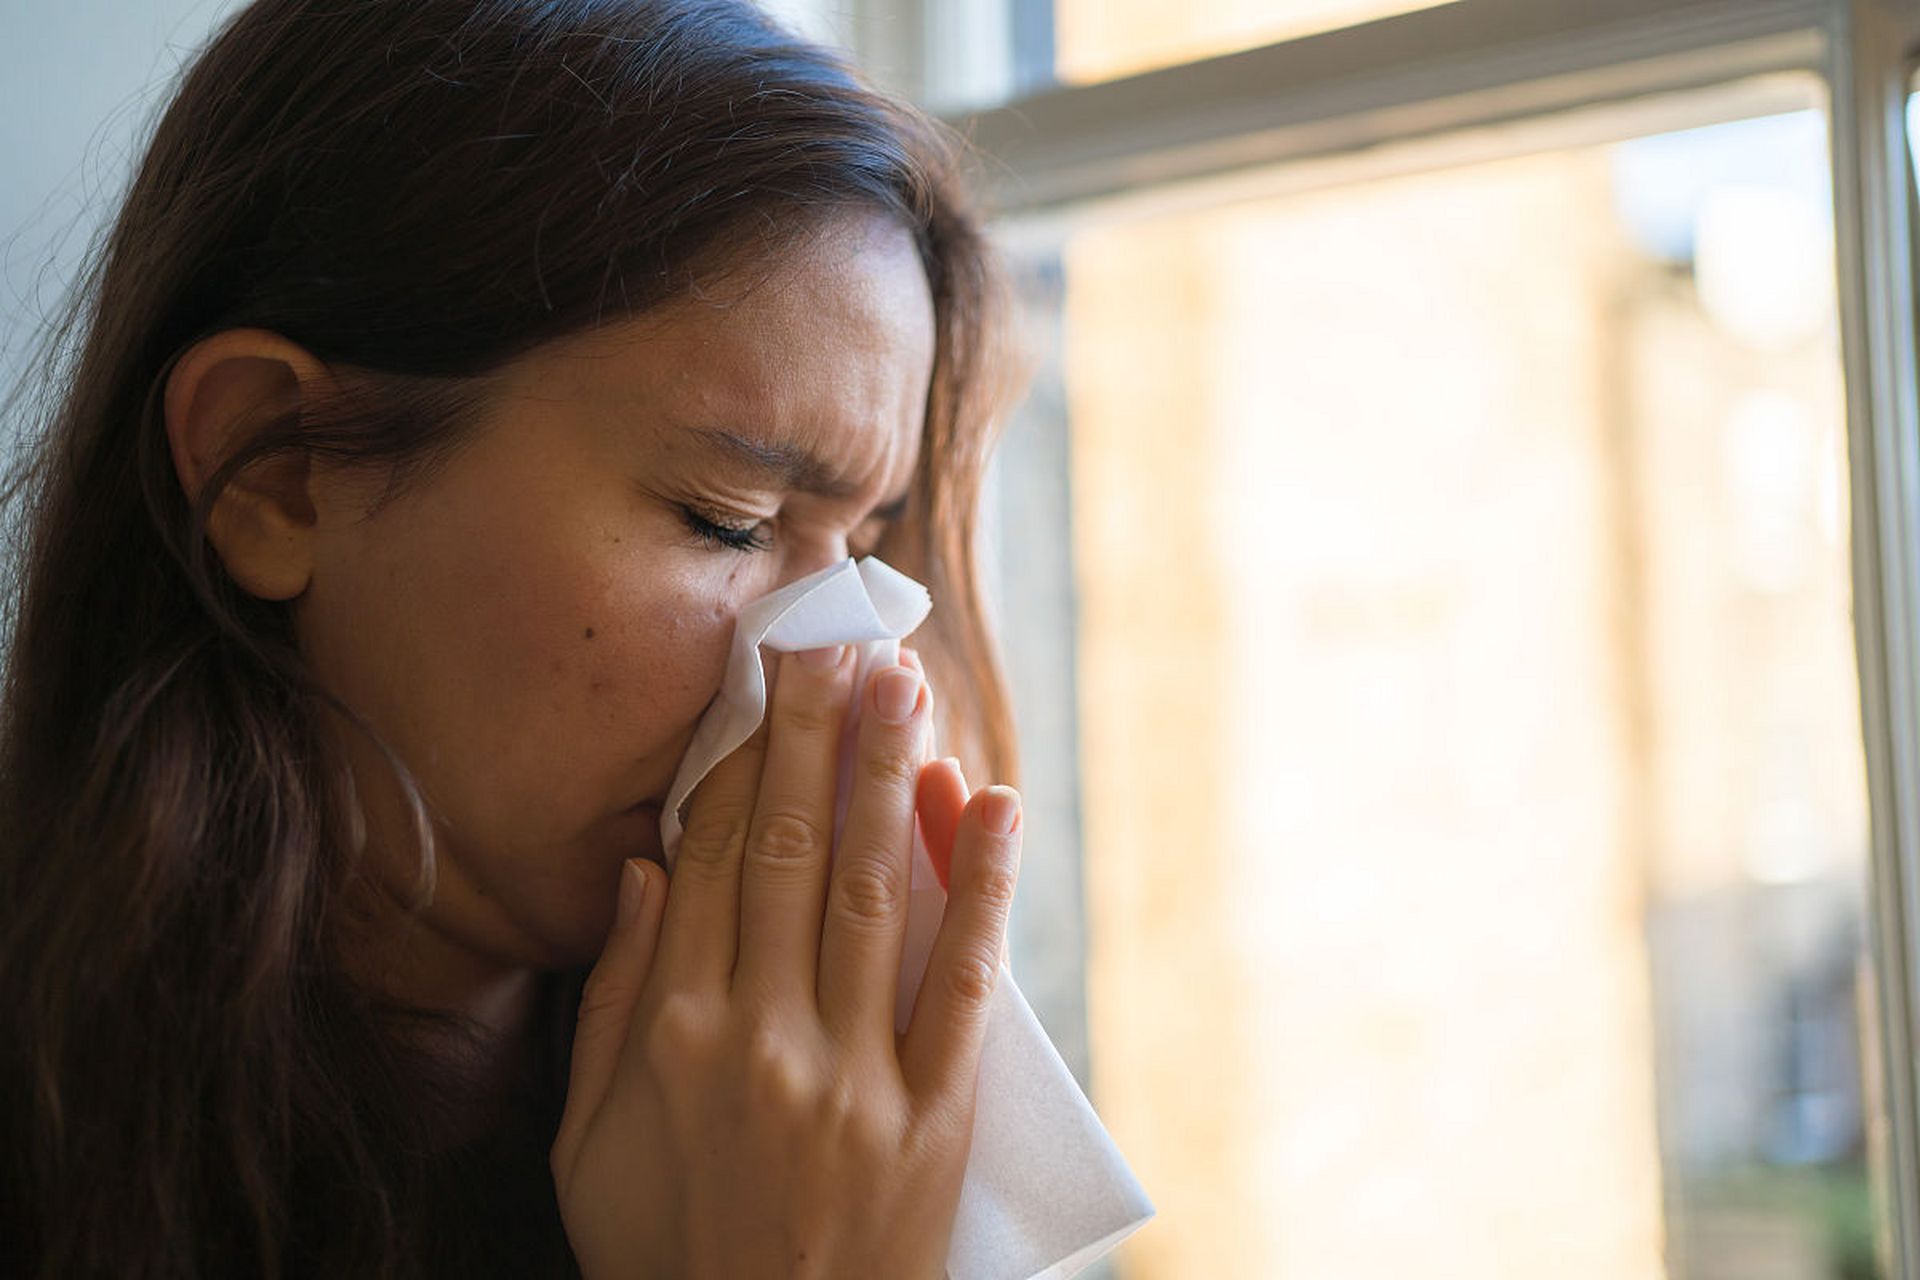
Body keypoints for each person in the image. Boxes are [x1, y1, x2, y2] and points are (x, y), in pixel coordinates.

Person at [0, 1, 1027, 1275]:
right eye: (727, 517)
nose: (845, 661)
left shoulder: (841, 1113)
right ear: (278, 469)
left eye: (866, 549)